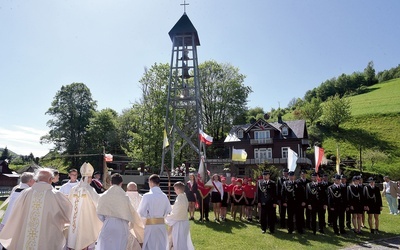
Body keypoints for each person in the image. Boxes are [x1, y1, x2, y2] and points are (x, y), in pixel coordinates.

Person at [0, 168, 72, 250]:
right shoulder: (57, 195)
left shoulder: (25, 193)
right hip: (47, 236)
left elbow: (16, 212)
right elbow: (67, 214)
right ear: (50, 179)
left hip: (25, 236)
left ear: (37, 179)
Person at [97, 173, 141, 250]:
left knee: (106, 246)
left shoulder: (104, 195)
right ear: (121, 183)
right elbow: (130, 212)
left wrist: (107, 220)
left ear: (110, 182)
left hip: (108, 223)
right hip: (121, 225)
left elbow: (99, 212)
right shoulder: (125, 197)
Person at [67, 162, 102, 250]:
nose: (91, 179)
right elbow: (98, 203)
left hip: (74, 222)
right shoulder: (89, 190)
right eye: (90, 177)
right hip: (86, 221)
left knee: (74, 239)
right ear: (87, 178)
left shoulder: (73, 189)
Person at [138, 174, 172, 250]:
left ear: (151, 182)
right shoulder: (164, 196)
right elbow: (168, 210)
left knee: (150, 245)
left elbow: (141, 212)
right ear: (158, 183)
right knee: (161, 245)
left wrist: (147, 216)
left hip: (150, 225)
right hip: (161, 225)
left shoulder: (147, 196)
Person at [166, 182, 194, 250]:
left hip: (179, 223)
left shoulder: (180, 198)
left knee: (178, 241)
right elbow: (178, 208)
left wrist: (166, 216)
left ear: (178, 189)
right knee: (183, 240)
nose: (174, 191)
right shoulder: (184, 196)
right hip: (184, 221)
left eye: (175, 189)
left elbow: (176, 213)